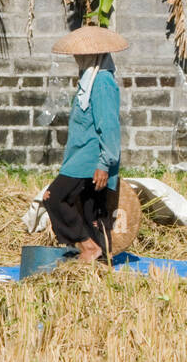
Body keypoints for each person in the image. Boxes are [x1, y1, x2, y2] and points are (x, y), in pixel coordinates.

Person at [43, 25, 128, 262]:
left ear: (94, 55)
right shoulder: (88, 80)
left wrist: (104, 163)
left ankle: (89, 248)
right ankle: (98, 259)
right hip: (80, 157)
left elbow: (109, 126)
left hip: (90, 159)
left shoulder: (101, 82)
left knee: (54, 197)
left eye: (81, 54)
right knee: (90, 211)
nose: (76, 58)